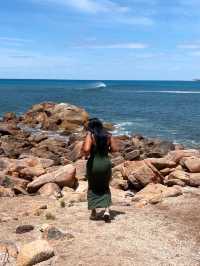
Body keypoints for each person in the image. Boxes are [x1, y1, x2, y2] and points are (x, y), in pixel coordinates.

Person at [82, 118, 118, 222]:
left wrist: (84, 151)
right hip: (105, 163)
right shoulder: (108, 135)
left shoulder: (90, 135)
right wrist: (107, 149)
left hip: (94, 164)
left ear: (91, 127)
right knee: (105, 186)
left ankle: (93, 212)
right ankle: (106, 211)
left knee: (92, 187)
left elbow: (87, 150)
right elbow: (115, 149)